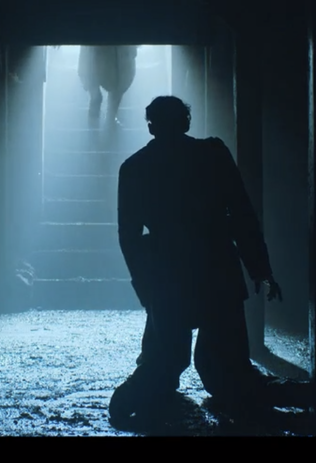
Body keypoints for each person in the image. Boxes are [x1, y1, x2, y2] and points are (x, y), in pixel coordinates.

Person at [109, 95, 289, 423]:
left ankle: (128, 400)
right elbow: (242, 214)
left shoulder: (134, 168)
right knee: (225, 368)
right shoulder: (213, 154)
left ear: (151, 127)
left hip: (167, 274)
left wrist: (145, 285)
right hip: (217, 269)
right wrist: (259, 268)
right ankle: (281, 395)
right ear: (186, 122)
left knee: (163, 361)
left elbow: (129, 237)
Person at [78, 45, 138, 128]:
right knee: (96, 96)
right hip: (99, 52)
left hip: (110, 53)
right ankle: (97, 122)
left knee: (112, 92)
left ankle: (107, 120)